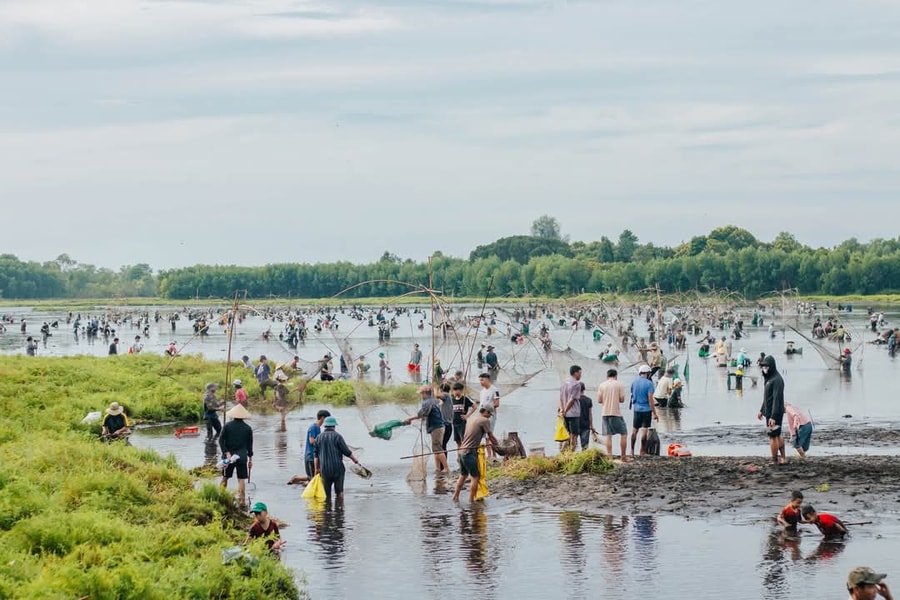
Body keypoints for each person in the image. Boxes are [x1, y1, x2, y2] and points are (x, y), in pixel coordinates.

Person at [451, 403, 500, 503]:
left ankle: (455, 497)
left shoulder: (472, 418)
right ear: (485, 411)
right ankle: (471, 501)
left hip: (461, 451)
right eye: (489, 414)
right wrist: (499, 446)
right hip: (469, 452)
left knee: (463, 475)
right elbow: (490, 436)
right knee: (475, 477)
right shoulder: (484, 420)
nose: (489, 417)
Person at [403, 385, 449, 474]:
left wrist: (410, 418)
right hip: (437, 426)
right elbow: (425, 414)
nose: (421, 395)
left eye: (421, 393)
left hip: (437, 427)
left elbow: (421, 414)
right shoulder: (433, 401)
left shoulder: (427, 402)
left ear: (425, 393)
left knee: (438, 448)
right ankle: (438, 468)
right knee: (435, 448)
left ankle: (446, 468)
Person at [315, 416, 360, 503]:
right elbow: (346, 451)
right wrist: (355, 460)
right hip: (337, 468)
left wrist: (317, 469)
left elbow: (316, 456)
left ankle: (327, 512)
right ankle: (340, 510)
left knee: (326, 493)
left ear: (325, 426)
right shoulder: (337, 437)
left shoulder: (318, 438)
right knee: (339, 492)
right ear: (334, 426)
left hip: (325, 469)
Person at [220, 404, 254, 505]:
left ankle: (220, 497)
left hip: (229, 457)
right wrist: (250, 459)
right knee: (241, 479)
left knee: (225, 477)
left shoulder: (227, 426)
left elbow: (221, 440)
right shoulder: (248, 428)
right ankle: (242, 502)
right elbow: (249, 445)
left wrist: (226, 452)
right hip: (242, 457)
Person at [757, 355, 787, 465]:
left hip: (775, 413)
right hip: (769, 412)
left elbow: (776, 398)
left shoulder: (777, 380)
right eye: (763, 366)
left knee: (773, 436)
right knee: (777, 434)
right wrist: (761, 410)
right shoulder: (768, 379)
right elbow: (767, 397)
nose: (764, 368)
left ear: (772, 366)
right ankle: (783, 459)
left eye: (766, 366)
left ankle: (775, 460)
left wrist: (773, 416)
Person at [597, 368, 629, 461]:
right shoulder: (619, 384)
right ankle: (623, 457)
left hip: (605, 413)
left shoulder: (602, 385)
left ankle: (609, 456)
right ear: (616, 376)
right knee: (624, 433)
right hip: (616, 413)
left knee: (608, 435)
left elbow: (599, 400)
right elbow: (622, 400)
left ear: (607, 376)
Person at [630, 364, 658, 457]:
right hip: (646, 409)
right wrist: (655, 413)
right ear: (647, 373)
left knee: (634, 430)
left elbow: (632, 395)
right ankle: (642, 451)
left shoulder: (634, 382)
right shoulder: (649, 383)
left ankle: (632, 451)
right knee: (644, 431)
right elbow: (650, 400)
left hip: (636, 409)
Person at [559, 365, 583, 451]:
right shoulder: (577, 384)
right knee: (574, 435)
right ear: (575, 373)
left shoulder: (564, 383)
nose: (580, 375)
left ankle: (562, 452)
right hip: (573, 413)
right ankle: (571, 454)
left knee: (567, 434)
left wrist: (562, 410)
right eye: (580, 373)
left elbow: (561, 398)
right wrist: (565, 410)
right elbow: (572, 400)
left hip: (565, 414)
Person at [477, 372, 500, 459]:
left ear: (487, 379)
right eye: (480, 380)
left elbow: (497, 404)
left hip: (490, 415)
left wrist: (488, 409)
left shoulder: (494, 390)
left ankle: (493, 455)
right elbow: (481, 405)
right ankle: (489, 455)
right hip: (482, 415)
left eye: (482, 380)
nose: (481, 382)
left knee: (489, 435)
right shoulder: (482, 392)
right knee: (484, 436)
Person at [304, 409, 331, 479]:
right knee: (313, 480)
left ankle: (296, 479)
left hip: (315, 457)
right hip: (310, 457)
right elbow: (311, 441)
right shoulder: (313, 427)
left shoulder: (318, 428)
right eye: (327, 419)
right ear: (322, 418)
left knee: (316, 477)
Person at [450, 381, 476, 447]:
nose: (455, 392)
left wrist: (468, 415)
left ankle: (463, 455)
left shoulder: (465, 399)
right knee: (457, 441)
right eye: (454, 390)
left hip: (462, 422)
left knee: (463, 440)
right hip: (454, 422)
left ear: (461, 390)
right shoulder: (452, 399)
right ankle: (459, 456)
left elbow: (474, 406)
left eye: (457, 390)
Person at [577, 382, 596, 450]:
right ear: (583, 389)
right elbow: (590, 414)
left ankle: (571, 458)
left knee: (572, 443)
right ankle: (583, 457)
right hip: (585, 425)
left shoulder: (574, 400)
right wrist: (591, 426)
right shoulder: (588, 400)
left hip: (575, 424)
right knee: (585, 446)